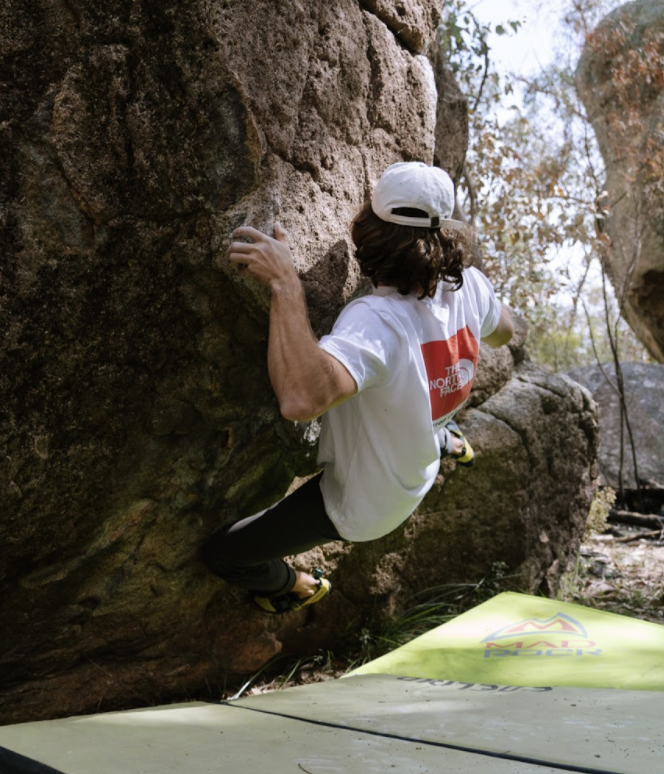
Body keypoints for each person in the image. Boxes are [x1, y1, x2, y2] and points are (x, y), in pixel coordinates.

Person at [201, 161, 515, 614]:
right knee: (415, 406)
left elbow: (301, 398)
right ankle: (446, 437)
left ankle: (293, 586)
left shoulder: (378, 321)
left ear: (371, 229)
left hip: (363, 503)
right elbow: (504, 331)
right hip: (415, 462)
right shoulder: (469, 289)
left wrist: (285, 283)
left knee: (223, 554)